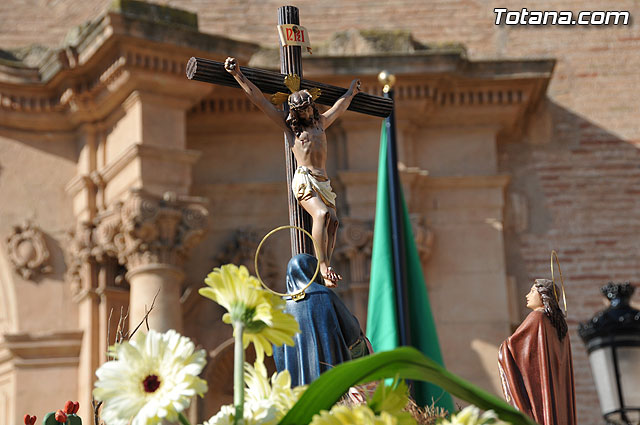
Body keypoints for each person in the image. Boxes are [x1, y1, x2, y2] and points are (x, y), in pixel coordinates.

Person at [224, 57, 361, 287]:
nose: (307, 111)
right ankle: (324, 266)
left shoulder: (320, 124)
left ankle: (326, 264)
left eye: (308, 107)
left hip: (323, 180)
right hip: (305, 179)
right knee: (321, 215)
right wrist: (238, 74)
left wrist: (351, 92)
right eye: (301, 109)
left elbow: (339, 107)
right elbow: (260, 100)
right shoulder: (291, 130)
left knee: (334, 221)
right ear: (295, 112)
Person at [273, 254, 371, 386]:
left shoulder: (281, 307)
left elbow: (278, 353)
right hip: (331, 374)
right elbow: (352, 331)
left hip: (296, 388)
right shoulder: (323, 294)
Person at [498, 279, 576, 425]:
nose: (527, 295)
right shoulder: (560, 326)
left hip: (540, 399)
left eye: (533, 291)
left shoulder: (536, 317)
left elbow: (513, 348)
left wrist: (504, 347)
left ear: (543, 295)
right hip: (557, 403)